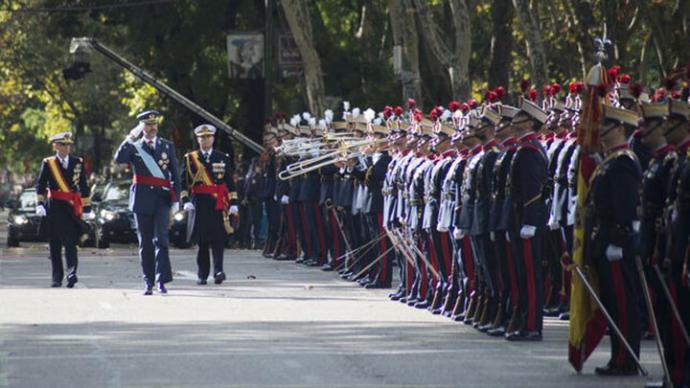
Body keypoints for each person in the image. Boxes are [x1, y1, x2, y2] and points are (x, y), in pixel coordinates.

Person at [586, 105, 642, 376]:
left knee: (622, 302)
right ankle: (617, 355)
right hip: (604, 239)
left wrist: (619, 239)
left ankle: (626, 358)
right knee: (612, 301)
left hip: (616, 242)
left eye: (605, 124)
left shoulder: (624, 163)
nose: (599, 130)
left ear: (619, 128)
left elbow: (626, 206)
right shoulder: (610, 161)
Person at [114, 110, 181, 295]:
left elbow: (175, 173)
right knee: (145, 243)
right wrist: (130, 137)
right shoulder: (134, 147)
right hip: (142, 199)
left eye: (154, 124)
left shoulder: (166, 146)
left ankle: (162, 280)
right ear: (141, 127)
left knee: (161, 239)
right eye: (148, 124)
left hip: (162, 199)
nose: (152, 128)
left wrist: (177, 199)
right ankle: (148, 281)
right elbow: (118, 159)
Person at [181, 124, 238, 285]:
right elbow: (183, 182)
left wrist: (234, 203)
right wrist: (185, 200)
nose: (205, 140)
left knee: (218, 239)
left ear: (213, 138)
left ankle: (219, 270)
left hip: (218, 204)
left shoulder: (222, 157)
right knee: (202, 242)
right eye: (202, 137)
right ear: (198, 139)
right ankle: (202, 274)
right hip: (199, 204)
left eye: (208, 137)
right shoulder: (190, 158)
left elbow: (230, 182)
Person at [35, 132, 91, 288]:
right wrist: (40, 204)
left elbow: (84, 186)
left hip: (71, 207)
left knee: (71, 242)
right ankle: (57, 277)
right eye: (63, 144)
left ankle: (72, 272)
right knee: (55, 244)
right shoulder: (48, 163)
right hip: (54, 206)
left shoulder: (77, 162)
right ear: (55, 146)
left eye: (68, 145)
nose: (67, 148)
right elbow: (40, 184)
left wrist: (86, 208)